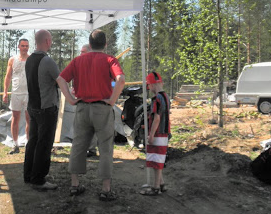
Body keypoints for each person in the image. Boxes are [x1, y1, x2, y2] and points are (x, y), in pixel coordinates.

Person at [57, 29, 125, 201]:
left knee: (78, 145)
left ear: (90, 42)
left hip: (82, 107)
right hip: (102, 108)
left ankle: (74, 184)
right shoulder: (110, 60)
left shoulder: (78, 60)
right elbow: (121, 80)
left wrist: (71, 100)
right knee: (105, 147)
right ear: (105, 44)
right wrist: (112, 100)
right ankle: (106, 189)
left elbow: (60, 79)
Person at [24, 29, 60, 191]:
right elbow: (60, 81)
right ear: (46, 41)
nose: (51, 43)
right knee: (44, 144)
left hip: (33, 107)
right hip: (46, 108)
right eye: (50, 40)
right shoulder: (47, 61)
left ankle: (29, 175)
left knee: (33, 141)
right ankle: (38, 179)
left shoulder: (29, 59)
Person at [140, 71, 171, 195]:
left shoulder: (156, 99)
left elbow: (157, 118)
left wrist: (151, 134)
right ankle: (161, 184)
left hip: (159, 133)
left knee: (156, 161)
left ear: (151, 85)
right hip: (164, 131)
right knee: (157, 159)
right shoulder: (166, 96)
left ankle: (156, 188)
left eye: (149, 86)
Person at [2, 38, 30, 154]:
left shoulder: (31, 59)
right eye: (23, 46)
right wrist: (5, 92)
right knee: (15, 118)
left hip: (28, 93)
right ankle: (15, 144)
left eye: (27, 46)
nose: (25, 48)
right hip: (16, 92)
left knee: (29, 119)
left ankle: (29, 143)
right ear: (18, 47)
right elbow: (8, 77)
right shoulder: (12, 60)